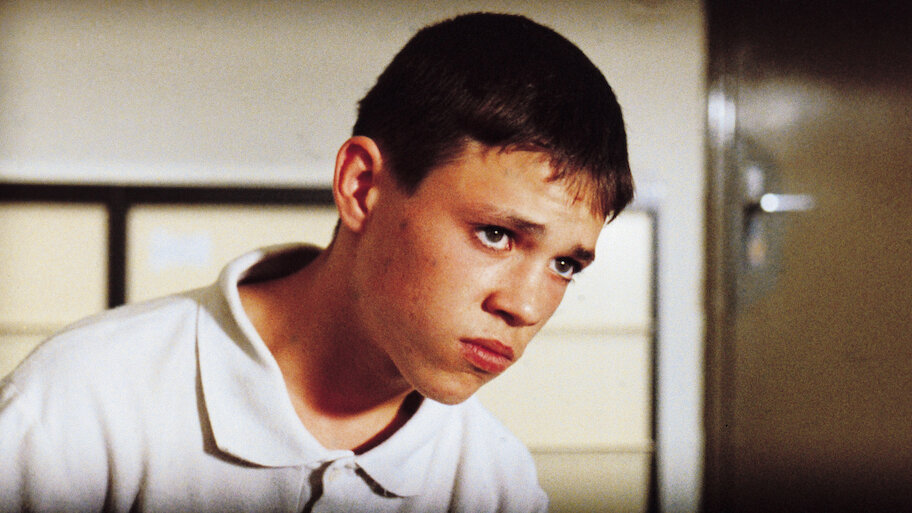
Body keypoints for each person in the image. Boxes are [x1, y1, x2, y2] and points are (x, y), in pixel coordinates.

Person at [0, 11, 633, 513]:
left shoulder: (497, 483)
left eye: (566, 266)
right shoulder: (83, 404)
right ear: (362, 187)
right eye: (496, 234)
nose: (526, 306)